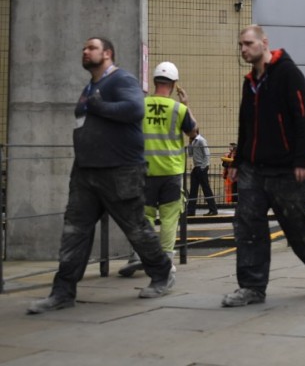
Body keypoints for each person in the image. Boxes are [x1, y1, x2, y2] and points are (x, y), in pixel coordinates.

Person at [28, 38, 174, 314]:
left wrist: (100, 107)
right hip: (85, 172)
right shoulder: (91, 87)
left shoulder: (121, 80)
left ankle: (162, 273)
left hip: (119, 170)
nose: (85, 51)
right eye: (83, 47)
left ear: (107, 54)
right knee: (74, 232)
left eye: (91, 48)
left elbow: (135, 109)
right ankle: (62, 292)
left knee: (135, 227)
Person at [221, 24, 305, 307]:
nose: (243, 49)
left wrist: (301, 159)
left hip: (285, 168)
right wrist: (239, 160)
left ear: (264, 42)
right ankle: (252, 287)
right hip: (253, 170)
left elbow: (304, 117)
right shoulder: (250, 82)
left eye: (248, 43)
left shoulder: (288, 73)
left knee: (295, 225)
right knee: (247, 226)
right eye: (241, 45)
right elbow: (245, 125)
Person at [118, 61, 196, 277]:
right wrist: (186, 104)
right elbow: (194, 133)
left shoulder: (140, 105)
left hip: (145, 171)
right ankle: (166, 261)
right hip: (171, 171)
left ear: (154, 81)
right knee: (170, 217)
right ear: (173, 84)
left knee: (145, 216)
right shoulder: (178, 109)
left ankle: (137, 255)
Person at [187, 128, 218, 216]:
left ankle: (213, 210)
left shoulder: (201, 140)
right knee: (193, 190)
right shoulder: (193, 141)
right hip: (196, 167)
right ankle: (191, 210)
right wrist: (189, 143)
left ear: (195, 131)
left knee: (206, 189)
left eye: (190, 132)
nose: (189, 134)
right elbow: (190, 154)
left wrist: (203, 167)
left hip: (201, 167)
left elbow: (207, 154)